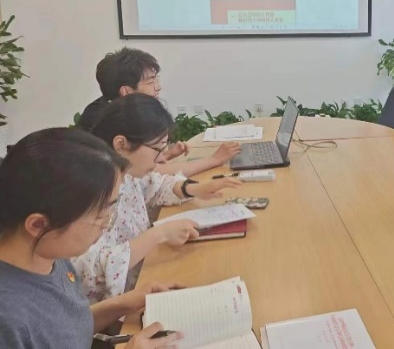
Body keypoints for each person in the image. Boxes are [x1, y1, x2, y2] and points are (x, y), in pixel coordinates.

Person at [0, 127, 181, 348]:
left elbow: (66, 333)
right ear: (39, 225)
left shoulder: (49, 255)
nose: (107, 224)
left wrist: (124, 304)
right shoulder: (8, 318)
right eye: (100, 215)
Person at [74, 93, 243, 302]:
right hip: (119, 304)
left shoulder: (127, 173)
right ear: (121, 144)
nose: (163, 158)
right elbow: (89, 272)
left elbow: (156, 184)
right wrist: (158, 235)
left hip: (144, 275)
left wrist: (193, 189)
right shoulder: (89, 194)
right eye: (158, 149)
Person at [77, 47, 241, 177]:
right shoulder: (111, 120)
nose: (158, 87)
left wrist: (166, 155)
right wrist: (214, 160)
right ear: (126, 91)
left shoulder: (116, 107)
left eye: (156, 79)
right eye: (150, 82)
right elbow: (153, 175)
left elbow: (136, 165)